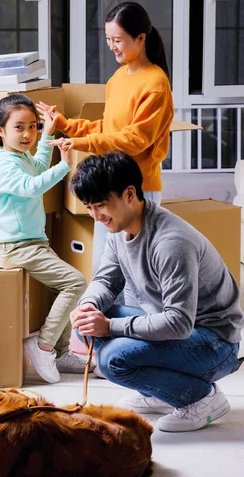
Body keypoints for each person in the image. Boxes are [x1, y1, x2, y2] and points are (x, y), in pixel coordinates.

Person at [69, 151, 243, 432]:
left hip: (215, 343)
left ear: (129, 194)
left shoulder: (171, 242)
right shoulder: (119, 230)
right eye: (89, 207)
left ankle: (201, 398)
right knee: (86, 324)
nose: (96, 215)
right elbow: (106, 281)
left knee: (113, 360)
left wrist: (111, 325)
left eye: (101, 205)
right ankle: (158, 390)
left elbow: (178, 322)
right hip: (177, 330)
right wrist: (88, 305)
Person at [36, 1, 174, 274]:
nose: (112, 46)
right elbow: (108, 128)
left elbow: (135, 139)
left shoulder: (156, 84)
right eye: (108, 39)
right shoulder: (118, 78)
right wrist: (66, 125)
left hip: (137, 188)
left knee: (138, 273)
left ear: (141, 38)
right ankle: (102, 317)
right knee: (104, 267)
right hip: (109, 182)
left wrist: (80, 143)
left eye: (118, 40)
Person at [0, 94, 91, 384]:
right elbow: (31, 186)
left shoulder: (18, 155)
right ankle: (43, 345)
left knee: (63, 287)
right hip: (18, 247)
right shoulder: (4, 164)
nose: (28, 134)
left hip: (31, 243)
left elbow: (37, 168)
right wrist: (65, 165)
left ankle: (61, 351)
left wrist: (49, 134)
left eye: (33, 126)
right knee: (75, 282)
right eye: (19, 127)